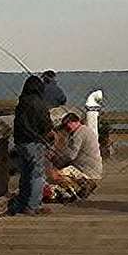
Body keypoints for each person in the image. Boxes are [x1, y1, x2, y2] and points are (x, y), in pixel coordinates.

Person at [10, 75, 54, 215]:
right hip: (35, 143)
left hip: (20, 142)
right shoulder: (40, 103)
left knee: (25, 174)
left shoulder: (21, 102)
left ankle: (22, 204)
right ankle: (33, 205)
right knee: (37, 175)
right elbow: (46, 125)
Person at [47, 112, 104, 200]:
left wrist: (57, 162)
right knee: (61, 170)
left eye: (68, 124)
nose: (66, 128)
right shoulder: (86, 130)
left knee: (54, 174)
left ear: (75, 122)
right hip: (94, 168)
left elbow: (71, 156)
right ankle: (79, 187)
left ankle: (81, 185)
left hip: (85, 170)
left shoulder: (78, 134)